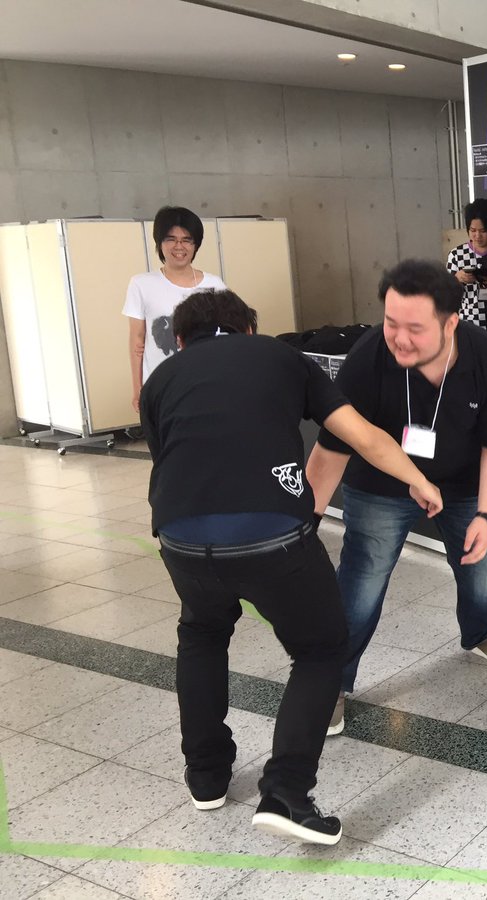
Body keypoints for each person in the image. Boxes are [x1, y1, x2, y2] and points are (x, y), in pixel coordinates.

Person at [140, 288, 443, 846]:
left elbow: (170, 460)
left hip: (180, 535)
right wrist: (419, 481)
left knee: (201, 633)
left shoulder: (161, 378)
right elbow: (362, 437)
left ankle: (206, 776)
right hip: (272, 533)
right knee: (321, 648)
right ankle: (286, 790)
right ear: (249, 329)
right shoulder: (283, 357)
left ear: (181, 340)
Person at [306, 260, 487, 736]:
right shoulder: (367, 360)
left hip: (464, 484)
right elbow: (330, 451)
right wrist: (304, 527)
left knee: (485, 566)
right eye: (391, 323)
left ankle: (482, 631)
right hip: (381, 484)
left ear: (450, 323)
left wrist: (486, 515)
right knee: (362, 580)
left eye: (415, 329)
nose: (399, 339)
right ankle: (331, 682)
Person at [124, 206, 226, 414]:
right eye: (171, 239)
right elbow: (137, 341)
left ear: (195, 245)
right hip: (161, 387)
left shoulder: (214, 284)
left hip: (207, 383)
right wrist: (137, 389)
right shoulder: (141, 284)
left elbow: (229, 335)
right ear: (159, 243)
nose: (179, 246)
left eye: (187, 240)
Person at [446, 198, 487, 341]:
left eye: (483, 231)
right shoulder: (456, 255)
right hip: (467, 326)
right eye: (473, 230)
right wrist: (457, 278)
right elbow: (445, 294)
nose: (477, 236)